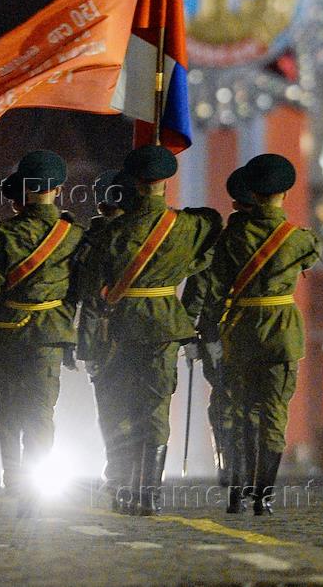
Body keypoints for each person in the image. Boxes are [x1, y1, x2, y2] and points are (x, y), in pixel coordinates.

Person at [82, 145, 222, 515]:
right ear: (166, 181)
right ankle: (148, 494)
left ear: (132, 183)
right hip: (164, 326)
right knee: (156, 408)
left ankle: (123, 488)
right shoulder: (189, 227)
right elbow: (213, 226)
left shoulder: (112, 232)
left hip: (119, 327)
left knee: (119, 408)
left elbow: (91, 290)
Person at [0, 150, 83, 514]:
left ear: (24, 191)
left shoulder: (6, 235)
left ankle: (14, 476)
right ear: (59, 189)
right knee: (41, 411)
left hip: (8, 335)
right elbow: (82, 292)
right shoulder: (75, 236)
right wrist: (69, 330)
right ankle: (36, 480)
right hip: (49, 338)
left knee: (10, 408)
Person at [199, 153, 321, 516]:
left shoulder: (231, 238)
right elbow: (311, 259)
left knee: (239, 410)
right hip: (282, 335)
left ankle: (237, 491)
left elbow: (215, 289)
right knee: (274, 413)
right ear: (285, 193)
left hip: (241, 333)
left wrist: (207, 332)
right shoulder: (301, 240)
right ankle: (263, 497)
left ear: (251, 193)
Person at [182, 167, 256, 487]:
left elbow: (198, 291)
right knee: (257, 400)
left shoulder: (218, 243)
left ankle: (229, 465)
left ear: (236, 204)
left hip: (219, 334)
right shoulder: (277, 241)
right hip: (262, 332)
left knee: (224, 401)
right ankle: (252, 468)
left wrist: (187, 334)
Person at [73, 169, 130, 503]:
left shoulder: (89, 241)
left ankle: (120, 474)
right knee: (143, 407)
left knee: (111, 409)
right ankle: (140, 477)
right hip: (146, 330)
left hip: (103, 336)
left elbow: (85, 294)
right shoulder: (149, 232)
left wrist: (82, 345)